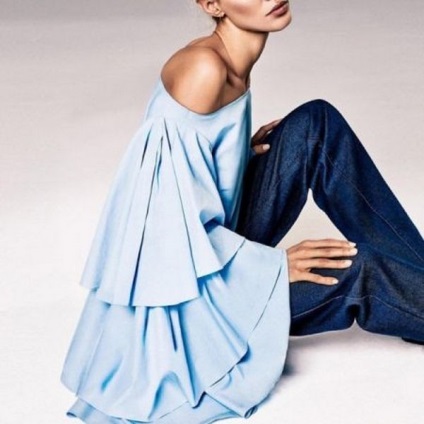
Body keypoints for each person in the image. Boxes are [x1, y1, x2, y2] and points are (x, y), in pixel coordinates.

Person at [60, 1, 424, 423]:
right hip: (191, 302)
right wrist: (272, 266)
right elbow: (161, 236)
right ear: (212, 4)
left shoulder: (232, 62)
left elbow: (186, 180)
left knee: (315, 126)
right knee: (357, 269)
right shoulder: (202, 71)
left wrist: (235, 159)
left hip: (211, 248)